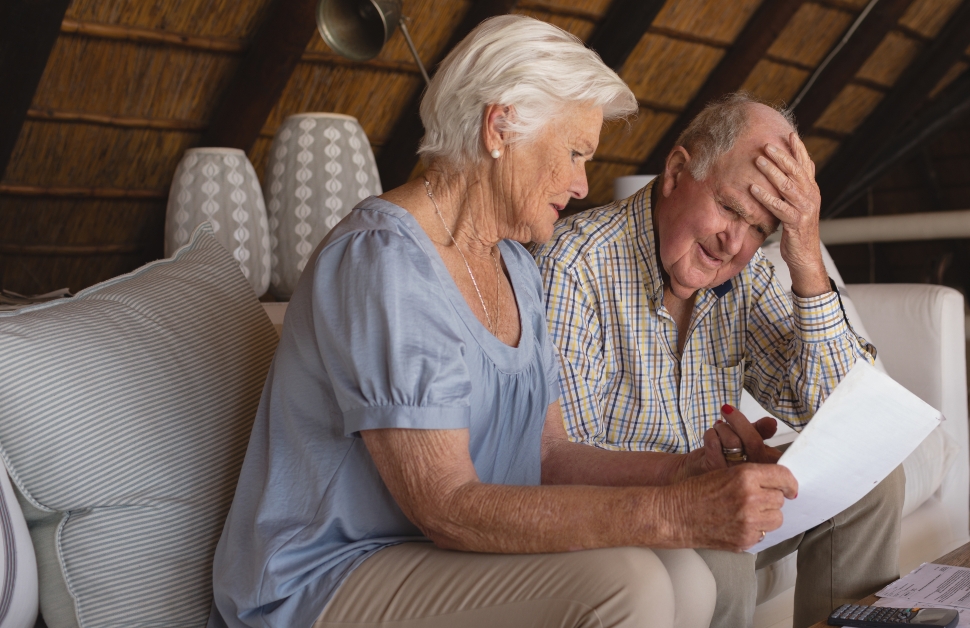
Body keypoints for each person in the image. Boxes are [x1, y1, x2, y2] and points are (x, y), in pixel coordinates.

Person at [209, 16, 800, 628]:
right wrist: (673, 514)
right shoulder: (384, 262)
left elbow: (548, 458)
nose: (581, 183)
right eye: (573, 153)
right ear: (500, 128)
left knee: (686, 576)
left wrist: (683, 474)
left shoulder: (514, 264)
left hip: (436, 555)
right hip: (328, 576)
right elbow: (446, 505)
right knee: (631, 583)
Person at [533, 92, 906, 628]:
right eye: (730, 208)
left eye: (760, 229)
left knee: (873, 478)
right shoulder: (574, 266)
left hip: (710, 491)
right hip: (632, 515)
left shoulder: (746, 276)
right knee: (721, 561)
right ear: (677, 171)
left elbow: (849, 414)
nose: (734, 242)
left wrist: (804, 255)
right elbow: (561, 466)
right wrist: (695, 481)